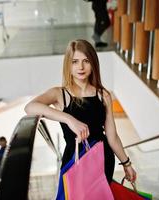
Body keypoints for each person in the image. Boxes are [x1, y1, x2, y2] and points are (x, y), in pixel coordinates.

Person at [24, 39, 136, 185]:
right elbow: (30, 107)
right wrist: (69, 119)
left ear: (93, 63)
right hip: (75, 159)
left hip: (102, 159)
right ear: (68, 65)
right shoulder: (60, 94)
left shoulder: (103, 95)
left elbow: (112, 136)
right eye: (75, 61)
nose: (81, 67)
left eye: (86, 61)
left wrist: (126, 164)